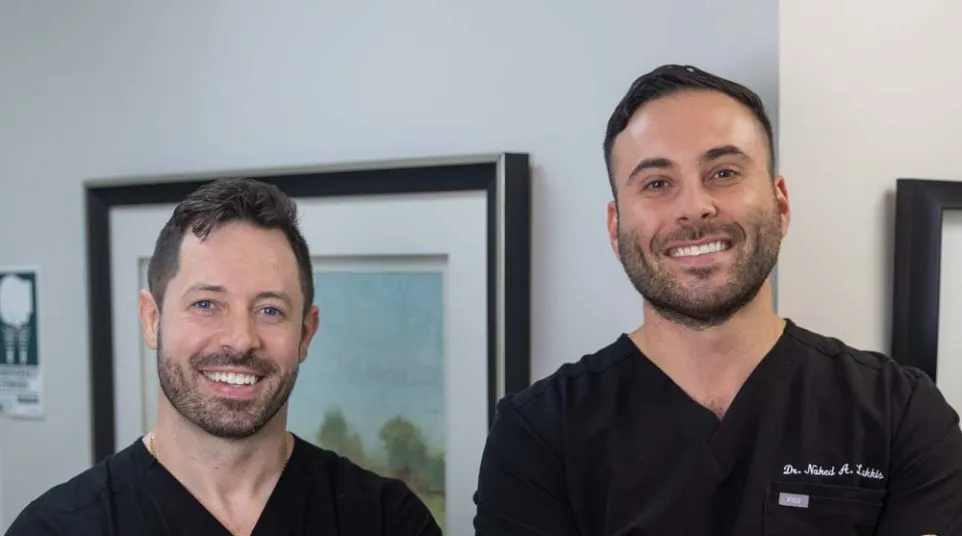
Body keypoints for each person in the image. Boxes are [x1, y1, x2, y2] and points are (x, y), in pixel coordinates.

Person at [472, 64, 962, 535]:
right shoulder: (538, 436)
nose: (694, 207)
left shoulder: (901, 417)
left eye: (724, 172)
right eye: (657, 184)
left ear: (781, 203)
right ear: (615, 226)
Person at [6, 178, 442, 535]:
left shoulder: (387, 522)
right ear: (152, 319)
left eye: (270, 310)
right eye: (206, 305)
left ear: (306, 333)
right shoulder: (60, 530)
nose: (239, 340)